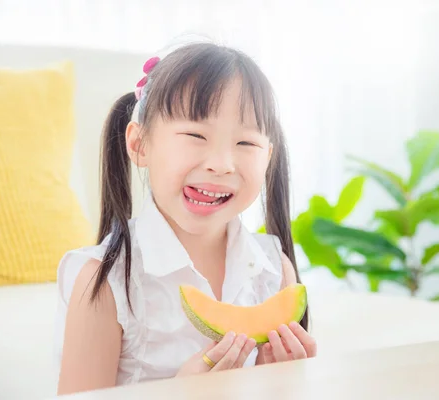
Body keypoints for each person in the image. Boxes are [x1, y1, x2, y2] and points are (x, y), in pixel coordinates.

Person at [54, 42, 316, 396]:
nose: (221, 163)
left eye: (246, 144)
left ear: (267, 157)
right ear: (140, 144)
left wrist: (278, 382)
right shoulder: (104, 282)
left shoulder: (274, 270)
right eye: (196, 136)